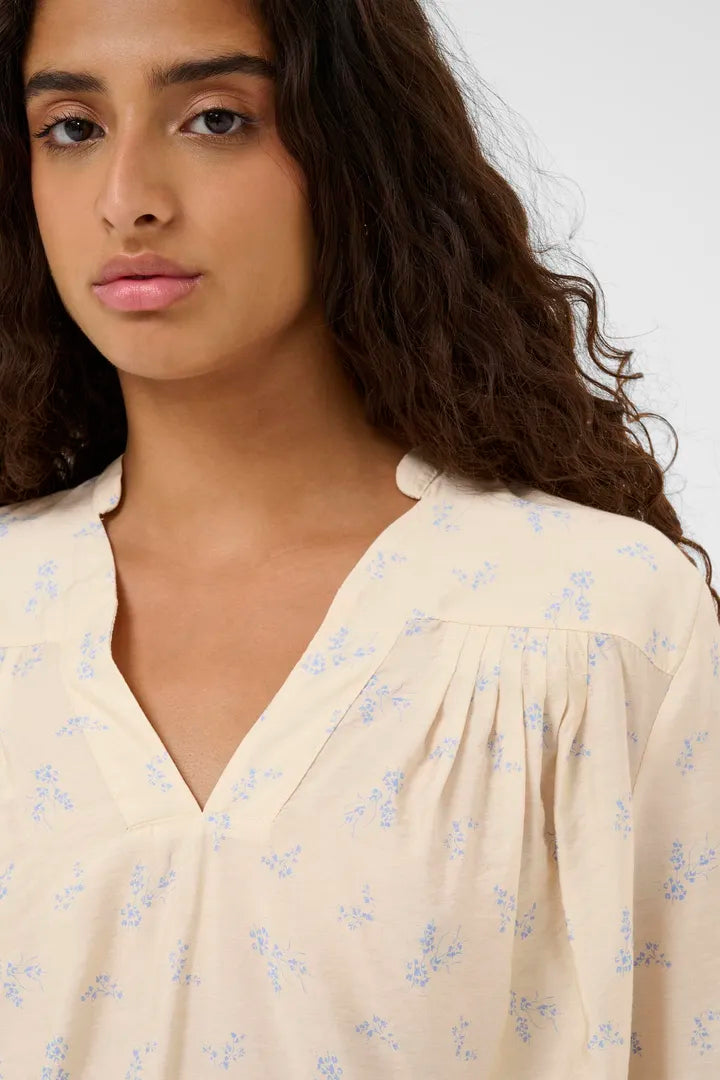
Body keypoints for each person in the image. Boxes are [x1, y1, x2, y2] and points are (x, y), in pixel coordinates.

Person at [0, 0, 717, 1075]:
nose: (127, 198)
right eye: (72, 128)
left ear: (354, 148)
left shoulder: (591, 622)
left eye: (215, 118)